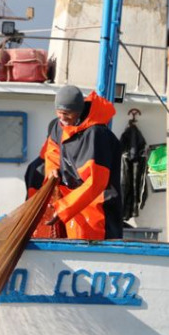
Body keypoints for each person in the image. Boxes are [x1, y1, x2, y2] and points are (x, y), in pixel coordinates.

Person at [40, 84, 123, 240]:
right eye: (59, 113)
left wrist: (64, 208)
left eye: (67, 114)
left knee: (94, 255)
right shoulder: (59, 126)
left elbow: (96, 182)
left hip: (98, 215)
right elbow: (52, 149)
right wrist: (52, 168)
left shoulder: (97, 134)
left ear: (78, 112)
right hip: (71, 210)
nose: (62, 118)